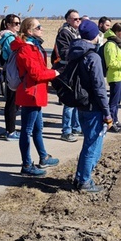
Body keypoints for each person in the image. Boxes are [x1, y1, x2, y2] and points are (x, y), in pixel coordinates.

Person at [67, 19, 114, 193]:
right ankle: (85, 181)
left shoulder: (75, 52)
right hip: (93, 106)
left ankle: (80, 177)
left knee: (88, 142)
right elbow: (99, 87)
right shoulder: (93, 56)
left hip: (81, 103)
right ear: (95, 35)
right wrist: (107, 113)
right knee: (92, 145)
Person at [11, 17, 61, 177]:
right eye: (39, 27)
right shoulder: (26, 49)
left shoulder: (34, 46)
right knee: (27, 130)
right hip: (30, 94)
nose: (42, 29)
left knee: (38, 128)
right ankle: (26, 164)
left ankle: (43, 156)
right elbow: (36, 73)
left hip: (36, 92)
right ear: (29, 31)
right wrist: (54, 73)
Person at [52, 9, 82, 142]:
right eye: (75, 19)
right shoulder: (64, 33)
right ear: (68, 20)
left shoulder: (77, 33)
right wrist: (79, 52)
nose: (78, 21)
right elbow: (64, 52)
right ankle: (66, 131)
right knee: (69, 102)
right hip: (66, 70)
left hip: (75, 69)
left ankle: (76, 127)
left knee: (76, 99)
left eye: (79, 19)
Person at [101, 23, 121, 133]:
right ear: (116, 32)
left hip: (120, 75)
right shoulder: (110, 45)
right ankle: (110, 123)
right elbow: (111, 63)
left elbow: (119, 58)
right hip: (114, 76)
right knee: (113, 102)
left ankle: (115, 120)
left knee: (117, 101)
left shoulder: (116, 43)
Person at [0, 14, 21, 140]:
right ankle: (10, 131)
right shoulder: (10, 38)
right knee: (13, 102)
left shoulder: (7, 37)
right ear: (8, 25)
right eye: (15, 23)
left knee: (12, 102)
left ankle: (9, 129)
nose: (18, 25)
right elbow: (13, 55)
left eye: (19, 23)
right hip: (12, 72)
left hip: (10, 71)